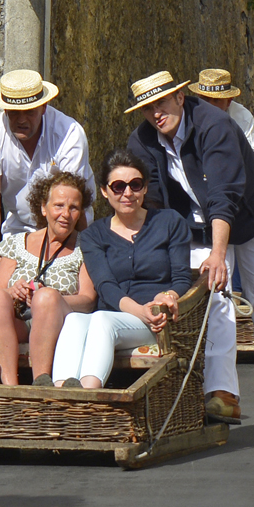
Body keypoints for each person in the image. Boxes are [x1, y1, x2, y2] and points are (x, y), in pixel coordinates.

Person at [126, 70, 254, 435]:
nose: (156, 113)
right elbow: (151, 204)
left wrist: (218, 255)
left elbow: (223, 194)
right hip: (198, 227)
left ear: (180, 98)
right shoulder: (141, 142)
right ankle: (224, 395)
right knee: (213, 299)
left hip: (251, 216)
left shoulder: (214, 125)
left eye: (161, 103)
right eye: (147, 108)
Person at [51, 150, 191, 389]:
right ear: (105, 192)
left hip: (154, 319)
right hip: (121, 312)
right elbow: (105, 286)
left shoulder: (169, 222)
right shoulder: (93, 234)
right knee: (74, 320)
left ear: (145, 188)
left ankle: (87, 397)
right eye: (118, 186)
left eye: (135, 185)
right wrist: (138, 310)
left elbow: (181, 277)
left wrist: (168, 296)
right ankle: (61, 395)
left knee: (102, 321)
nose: (128, 193)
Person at [0, 69, 95, 282]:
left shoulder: (69, 133)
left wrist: (85, 249)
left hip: (67, 224)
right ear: (4, 110)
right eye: (14, 112)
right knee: (1, 284)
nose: (22, 119)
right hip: (18, 228)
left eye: (29, 111)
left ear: (43, 108)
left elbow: (74, 199)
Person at [0, 171, 97, 386]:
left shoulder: (85, 247)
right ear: (44, 208)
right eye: (59, 205)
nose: (65, 214)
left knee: (46, 298)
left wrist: (50, 298)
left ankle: (40, 381)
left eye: (73, 208)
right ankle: (10, 387)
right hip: (20, 322)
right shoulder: (18, 243)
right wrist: (13, 291)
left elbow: (89, 299)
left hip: (60, 323)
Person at [189, 68, 254, 161]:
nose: (209, 105)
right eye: (205, 99)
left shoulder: (243, 117)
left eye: (216, 100)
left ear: (229, 101)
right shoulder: (187, 115)